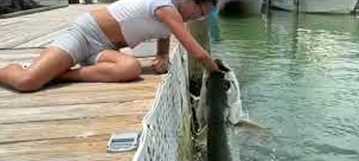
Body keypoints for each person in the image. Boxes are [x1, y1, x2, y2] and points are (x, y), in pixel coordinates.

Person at [0, 0, 220, 92]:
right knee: (27, 82)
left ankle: (58, 76)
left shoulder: (175, 17)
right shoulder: (166, 6)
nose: (198, 18)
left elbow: (164, 33)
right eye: (200, 13)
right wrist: (217, 73)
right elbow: (197, 52)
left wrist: (163, 55)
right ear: (192, 1)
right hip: (84, 35)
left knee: (131, 68)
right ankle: (10, 69)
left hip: (106, 49)